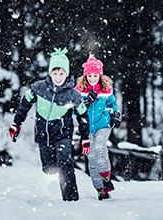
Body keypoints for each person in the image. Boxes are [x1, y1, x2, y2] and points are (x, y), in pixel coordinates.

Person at [9, 48, 90, 201]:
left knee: (65, 161)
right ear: (50, 73)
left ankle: (71, 199)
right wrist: (16, 123)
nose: (58, 77)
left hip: (62, 132)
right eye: (55, 73)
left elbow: (83, 115)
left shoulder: (73, 95)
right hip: (43, 132)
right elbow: (24, 104)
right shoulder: (38, 88)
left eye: (61, 74)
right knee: (49, 169)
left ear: (66, 74)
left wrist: (85, 137)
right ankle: (53, 171)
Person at [75, 56, 121, 200]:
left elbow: (113, 104)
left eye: (96, 75)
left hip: (103, 125)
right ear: (85, 76)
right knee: (92, 157)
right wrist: (87, 101)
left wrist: (116, 115)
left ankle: (106, 179)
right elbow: (74, 110)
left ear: (100, 75)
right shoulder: (79, 90)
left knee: (100, 147)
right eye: (90, 75)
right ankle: (100, 190)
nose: (93, 78)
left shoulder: (106, 89)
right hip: (87, 128)